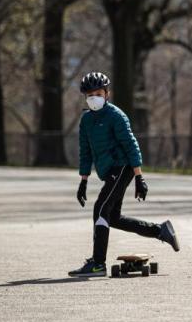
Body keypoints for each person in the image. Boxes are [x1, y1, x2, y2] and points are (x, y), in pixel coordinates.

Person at [69, 72, 180, 277]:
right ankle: (160, 231)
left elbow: (131, 146)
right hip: (107, 170)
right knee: (113, 217)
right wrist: (83, 181)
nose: (94, 97)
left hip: (122, 167)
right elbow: (85, 151)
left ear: (107, 93)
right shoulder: (86, 121)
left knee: (100, 208)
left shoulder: (116, 116)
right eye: (90, 94)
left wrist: (139, 177)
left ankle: (98, 264)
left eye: (98, 93)